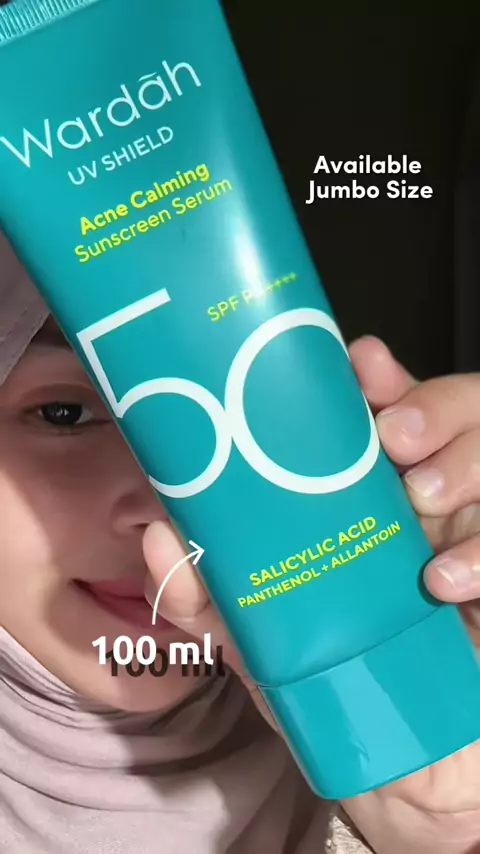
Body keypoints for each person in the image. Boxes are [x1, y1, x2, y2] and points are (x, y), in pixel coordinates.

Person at [1, 222, 480, 854]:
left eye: (221, 406)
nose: (169, 507)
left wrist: (447, 820)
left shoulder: (372, 732)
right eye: (63, 414)